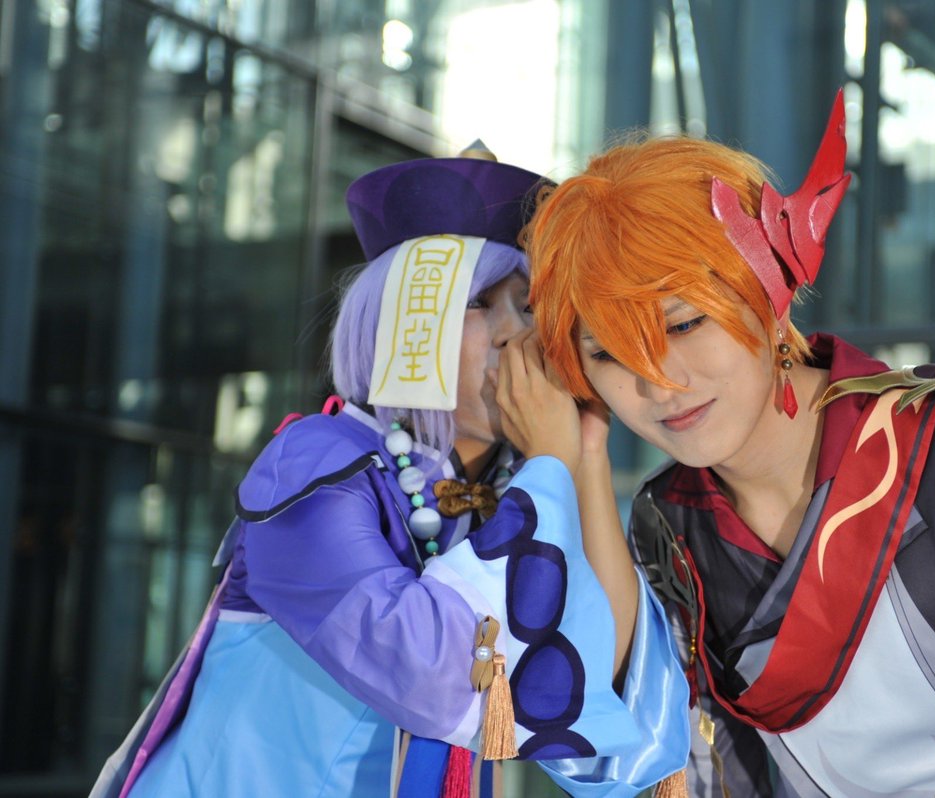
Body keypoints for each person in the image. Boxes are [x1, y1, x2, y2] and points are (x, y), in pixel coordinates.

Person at [512, 93, 935, 796]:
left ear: (766, 294)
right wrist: (579, 457)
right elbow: (666, 759)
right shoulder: (670, 523)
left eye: (683, 324)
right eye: (608, 354)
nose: (659, 382)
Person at [91, 147, 686, 798]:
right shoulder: (314, 463)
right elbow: (433, 672)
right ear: (400, 324)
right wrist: (548, 466)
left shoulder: (511, 495)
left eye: (528, 307)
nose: (516, 336)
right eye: (480, 303)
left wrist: (586, 455)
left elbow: (609, 688)